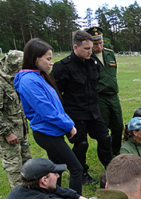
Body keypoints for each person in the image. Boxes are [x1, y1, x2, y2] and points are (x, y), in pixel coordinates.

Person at [14, 38, 83, 194]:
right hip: (47, 133)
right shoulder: (29, 81)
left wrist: (68, 124)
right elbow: (47, 111)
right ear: (35, 58)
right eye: (48, 59)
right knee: (76, 168)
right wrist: (69, 126)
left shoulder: (39, 77)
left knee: (56, 170)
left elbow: (56, 107)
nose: (51, 63)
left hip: (53, 131)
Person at [51, 30, 112, 185]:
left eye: (91, 48)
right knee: (81, 144)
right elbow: (55, 93)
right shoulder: (62, 67)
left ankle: (111, 169)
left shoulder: (93, 64)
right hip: (75, 113)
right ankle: (81, 172)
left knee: (105, 138)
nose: (90, 51)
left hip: (93, 111)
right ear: (75, 47)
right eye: (86, 48)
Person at [0, 50, 32, 188]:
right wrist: (7, 132)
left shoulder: (13, 77)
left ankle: (33, 196)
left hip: (20, 130)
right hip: (7, 134)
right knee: (15, 170)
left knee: (29, 166)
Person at [86, 27, 123, 157]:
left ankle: (117, 151)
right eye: (95, 44)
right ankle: (106, 154)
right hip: (100, 97)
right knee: (103, 128)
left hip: (113, 96)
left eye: (100, 42)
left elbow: (113, 73)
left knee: (118, 126)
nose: (99, 46)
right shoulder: (87, 57)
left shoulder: (109, 54)